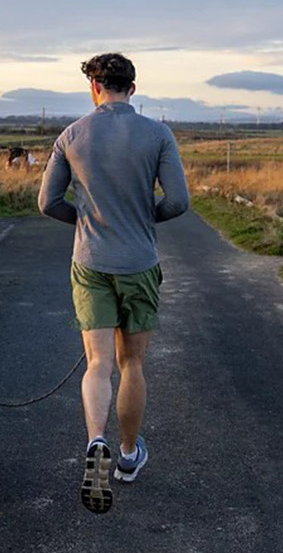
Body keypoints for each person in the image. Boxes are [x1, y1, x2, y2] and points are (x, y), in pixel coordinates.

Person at [38, 52, 189, 514]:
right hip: (139, 261)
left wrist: (82, 220)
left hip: (90, 262)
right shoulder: (157, 134)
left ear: (94, 88)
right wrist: (146, 218)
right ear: (133, 88)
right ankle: (126, 456)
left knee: (99, 362)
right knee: (133, 365)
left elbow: (47, 202)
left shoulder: (73, 135)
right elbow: (178, 202)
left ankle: (95, 441)